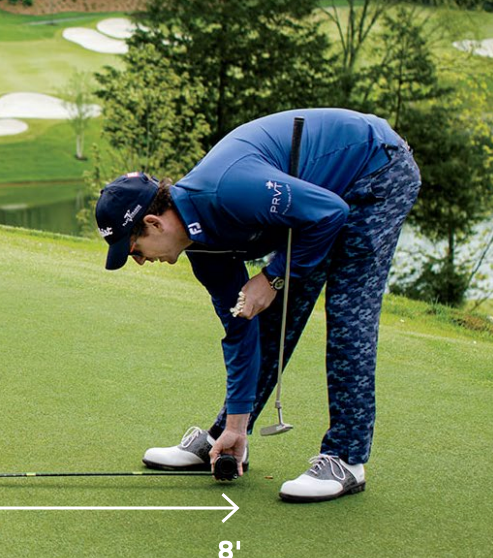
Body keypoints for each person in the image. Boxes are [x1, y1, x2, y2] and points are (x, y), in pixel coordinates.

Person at [94, 108, 420, 503]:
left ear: (154, 223)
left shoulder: (228, 191)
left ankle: (347, 459)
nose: (140, 262)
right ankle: (228, 437)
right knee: (266, 315)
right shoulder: (203, 251)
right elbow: (240, 329)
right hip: (319, 206)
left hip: (374, 169)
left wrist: (273, 277)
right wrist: (236, 425)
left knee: (348, 316)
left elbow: (331, 213)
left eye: (134, 250)